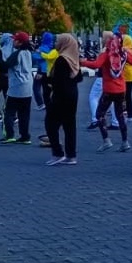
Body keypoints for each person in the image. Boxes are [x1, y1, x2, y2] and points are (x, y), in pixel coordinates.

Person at [81, 33, 132, 152]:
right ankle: (125, 141)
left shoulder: (106, 54)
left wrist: (83, 62)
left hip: (109, 90)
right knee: (120, 115)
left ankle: (106, 140)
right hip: (121, 89)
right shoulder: (123, 54)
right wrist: (126, 50)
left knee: (100, 114)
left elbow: (96, 65)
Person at [45, 33, 84, 166]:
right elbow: (79, 78)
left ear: (64, 43)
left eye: (58, 41)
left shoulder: (62, 59)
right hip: (73, 94)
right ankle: (71, 155)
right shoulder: (74, 58)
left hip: (61, 96)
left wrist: (50, 84)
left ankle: (57, 153)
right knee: (69, 125)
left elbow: (58, 82)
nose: (56, 43)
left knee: (50, 124)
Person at [0, 32, 36, 145]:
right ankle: (25, 136)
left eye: (15, 40)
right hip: (28, 87)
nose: (13, 42)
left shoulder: (17, 54)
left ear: (20, 42)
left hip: (16, 87)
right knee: (24, 114)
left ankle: (9, 135)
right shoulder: (28, 53)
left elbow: (5, 65)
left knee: (9, 112)